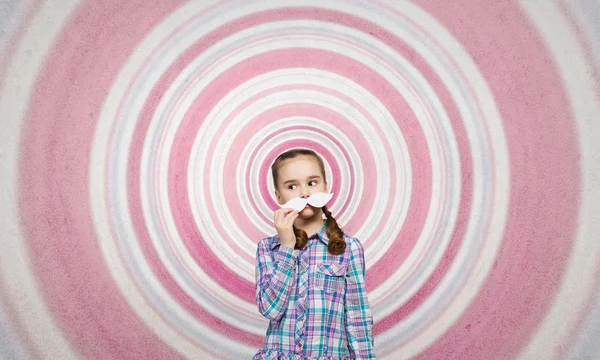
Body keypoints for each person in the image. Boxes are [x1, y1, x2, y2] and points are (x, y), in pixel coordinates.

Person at [253, 148, 375, 359]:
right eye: (292, 186)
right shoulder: (268, 249)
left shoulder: (350, 248)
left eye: (312, 183)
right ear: (279, 196)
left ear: (325, 186)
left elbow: (358, 318)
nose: (305, 193)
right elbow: (271, 310)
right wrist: (287, 247)